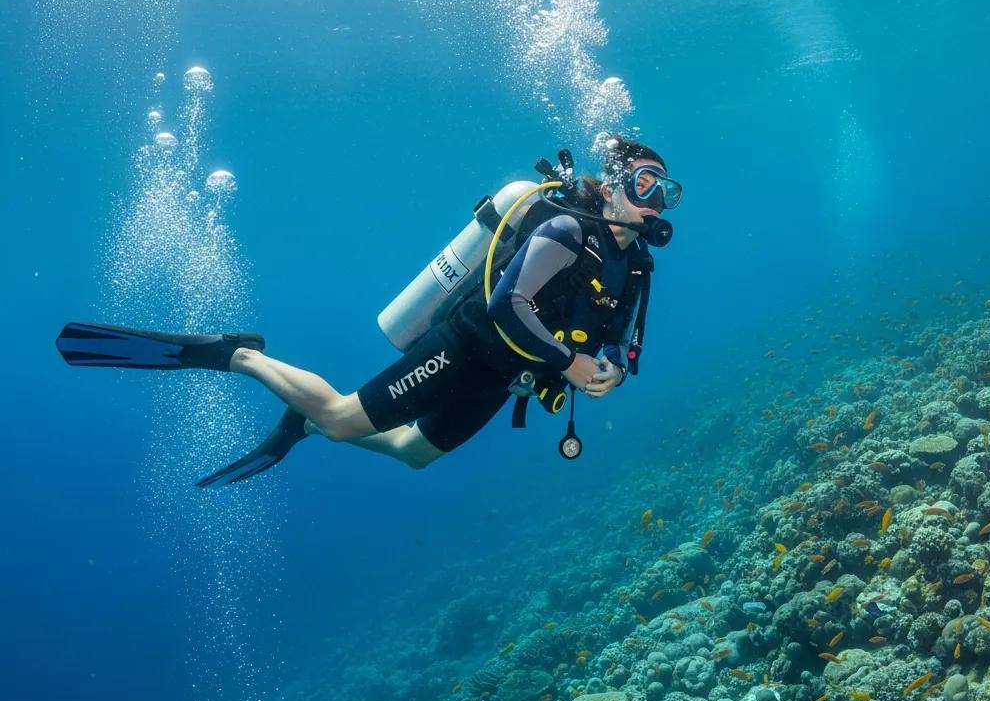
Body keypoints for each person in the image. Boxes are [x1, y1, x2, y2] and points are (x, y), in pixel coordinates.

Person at [55, 139, 681, 484]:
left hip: (506, 376)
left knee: (414, 454)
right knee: (341, 420)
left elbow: (613, 341)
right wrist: (569, 362)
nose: (656, 201)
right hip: (464, 349)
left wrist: (606, 371)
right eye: (644, 184)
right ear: (612, 186)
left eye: (666, 191)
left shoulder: (636, 265)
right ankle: (238, 355)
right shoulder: (567, 231)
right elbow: (506, 305)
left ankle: (300, 424)